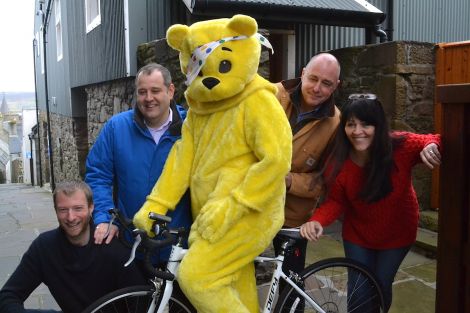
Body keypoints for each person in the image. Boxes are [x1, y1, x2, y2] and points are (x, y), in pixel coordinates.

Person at [300, 94, 441, 312]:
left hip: (397, 233)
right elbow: (336, 201)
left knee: (381, 286)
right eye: (351, 124)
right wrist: (317, 220)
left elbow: (434, 138)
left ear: (378, 125)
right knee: (358, 291)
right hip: (358, 235)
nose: (358, 131)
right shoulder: (338, 161)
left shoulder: (400, 146)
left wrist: (431, 145)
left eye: (366, 124)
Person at [85, 63, 192, 264]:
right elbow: (98, 175)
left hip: (179, 247)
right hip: (131, 244)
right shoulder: (116, 128)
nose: (148, 98)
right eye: (142, 92)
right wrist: (106, 219)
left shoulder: (191, 127)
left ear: (170, 91)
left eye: (155, 91)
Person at [0, 180, 146, 313]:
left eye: (78, 208)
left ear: (91, 208)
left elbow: (141, 304)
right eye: (63, 210)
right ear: (56, 211)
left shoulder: (114, 248)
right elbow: (8, 297)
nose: (71, 217)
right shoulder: (44, 247)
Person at [273, 52, 341, 285]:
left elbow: (325, 180)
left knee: (290, 286)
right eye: (313, 78)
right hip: (249, 205)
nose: (317, 88)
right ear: (302, 73)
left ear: (336, 86)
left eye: (326, 83)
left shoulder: (336, 124)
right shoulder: (272, 95)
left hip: (292, 217)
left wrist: (290, 181)